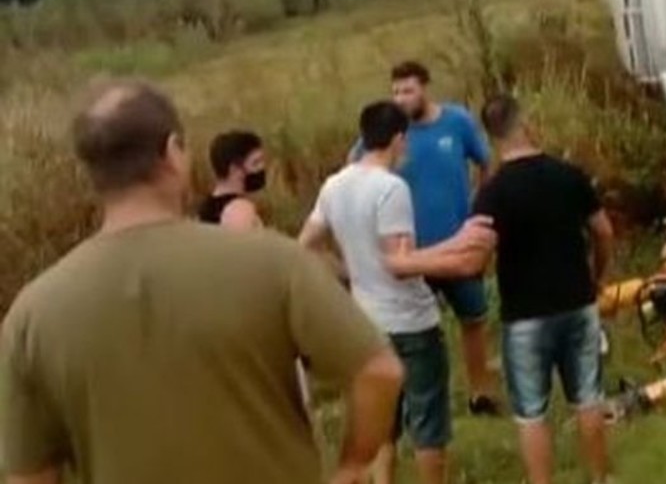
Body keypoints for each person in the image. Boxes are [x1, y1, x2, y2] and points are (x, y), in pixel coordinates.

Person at [1, 80, 404, 484]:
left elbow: (27, 475)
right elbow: (379, 371)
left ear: (92, 170)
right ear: (174, 152)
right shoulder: (272, 262)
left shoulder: (32, 315)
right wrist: (352, 465)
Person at [301, 101, 497, 484]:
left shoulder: (334, 184)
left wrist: (350, 271)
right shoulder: (391, 189)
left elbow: (306, 244)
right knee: (428, 424)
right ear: (397, 140)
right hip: (409, 323)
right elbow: (400, 263)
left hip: (366, 322)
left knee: (381, 423)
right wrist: (457, 253)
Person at [472, 94, 616, 484]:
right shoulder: (568, 174)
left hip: (525, 315)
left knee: (531, 412)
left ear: (492, 138)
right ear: (526, 123)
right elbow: (603, 232)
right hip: (576, 300)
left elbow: (478, 257)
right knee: (588, 397)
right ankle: (600, 478)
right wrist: (597, 277)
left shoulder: (493, 193)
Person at [376, 60, 499, 415]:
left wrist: (480, 205)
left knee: (473, 319)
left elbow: (486, 162)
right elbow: (361, 166)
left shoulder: (456, 121)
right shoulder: (390, 132)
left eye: (408, 90)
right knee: (410, 330)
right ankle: (416, 400)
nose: (401, 98)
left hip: (458, 245)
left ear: (425, 88)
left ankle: (480, 393)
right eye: (396, 91)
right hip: (410, 253)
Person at [199, 129, 268, 227]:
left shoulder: (206, 209)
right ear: (235, 169)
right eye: (255, 163)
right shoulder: (240, 209)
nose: (262, 167)